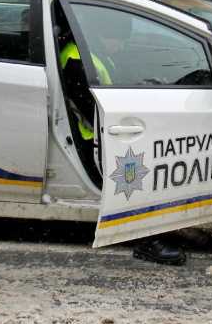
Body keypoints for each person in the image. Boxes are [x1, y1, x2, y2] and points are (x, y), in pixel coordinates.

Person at [58, 31, 186, 266]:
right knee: (138, 169)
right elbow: (91, 108)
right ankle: (145, 239)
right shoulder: (77, 60)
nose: (122, 42)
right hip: (92, 138)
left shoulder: (92, 54)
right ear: (101, 34)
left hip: (99, 131)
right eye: (118, 36)